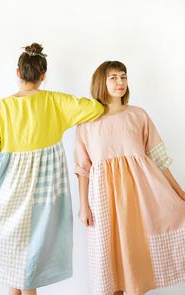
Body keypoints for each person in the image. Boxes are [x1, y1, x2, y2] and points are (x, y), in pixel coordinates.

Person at [0, 43, 104, 295]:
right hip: (46, 193)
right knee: (28, 262)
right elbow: (95, 108)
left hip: (10, 190)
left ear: (18, 72)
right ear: (43, 75)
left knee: (18, 262)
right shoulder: (55, 101)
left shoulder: (3, 106)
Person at [74, 60, 185, 295]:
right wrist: (83, 205)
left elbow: (158, 157)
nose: (120, 82)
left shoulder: (138, 115)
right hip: (104, 201)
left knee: (136, 260)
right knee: (109, 263)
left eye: (123, 77)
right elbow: (83, 168)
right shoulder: (86, 123)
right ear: (101, 82)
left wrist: (178, 191)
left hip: (140, 197)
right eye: (113, 77)